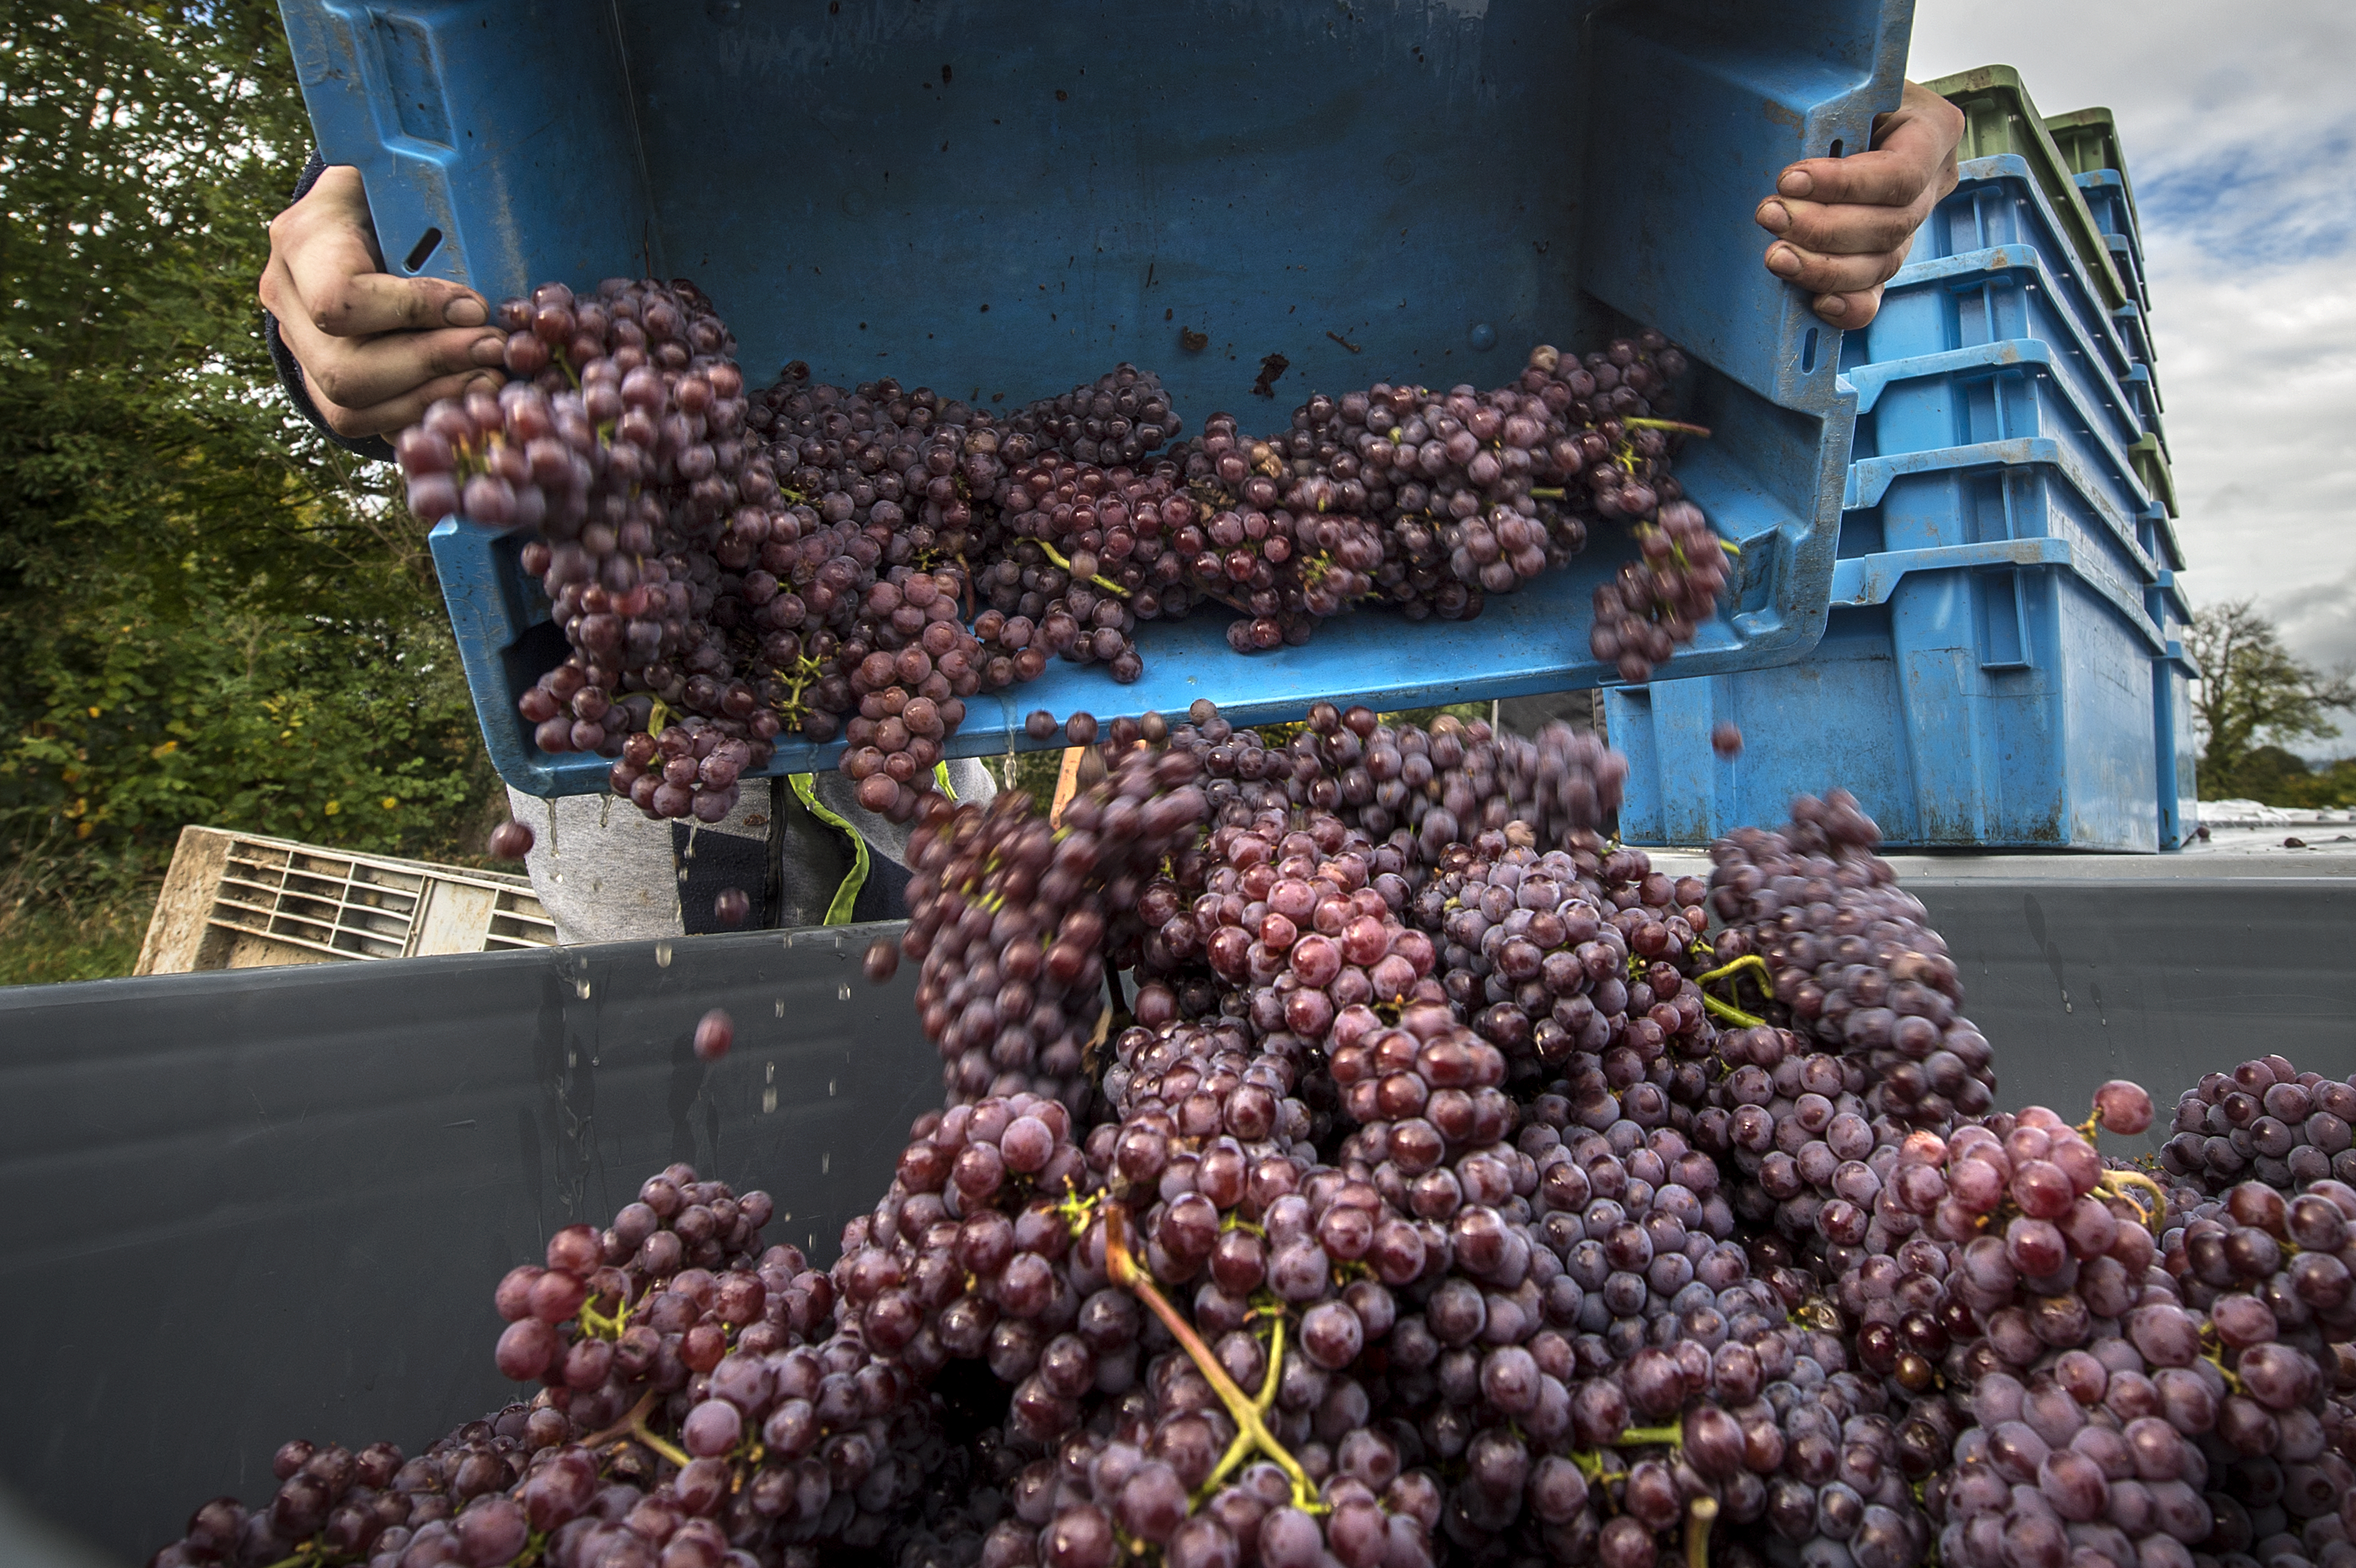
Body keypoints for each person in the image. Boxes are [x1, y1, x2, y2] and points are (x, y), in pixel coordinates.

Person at [259, 84, 1963, 936]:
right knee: (712, 1068)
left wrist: (1908, 135)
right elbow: (403, 193)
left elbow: (1831, 76)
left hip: (1092, 636)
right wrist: (323, 311)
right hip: (695, 699)